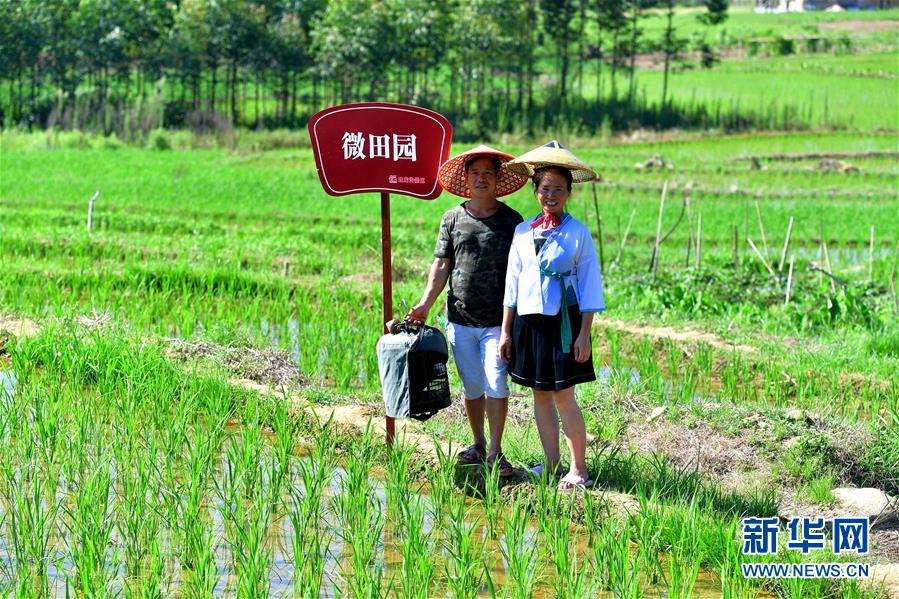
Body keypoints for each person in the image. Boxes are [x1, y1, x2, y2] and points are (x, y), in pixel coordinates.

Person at [407, 145, 527, 477]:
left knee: (496, 384)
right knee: (472, 387)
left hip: (497, 321)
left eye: (488, 173)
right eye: (476, 173)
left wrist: (515, 322)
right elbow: (441, 265)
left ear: (497, 178)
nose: (482, 179)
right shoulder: (452, 218)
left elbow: (520, 271)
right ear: (467, 179)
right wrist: (424, 304)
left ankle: (496, 451)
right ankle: (477, 443)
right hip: (460, 318)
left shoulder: (511, 222)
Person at [499, 141, 605, 490]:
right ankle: (550, 464)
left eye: (559, 189)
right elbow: (512, 284)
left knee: (564, 397)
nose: (551, 195)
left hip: (564, 323)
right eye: (545, 188)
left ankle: (579, 470)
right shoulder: (522, 231)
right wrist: (506, 332)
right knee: (540, 395)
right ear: (535, 191)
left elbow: (590, 286)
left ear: (568, 193)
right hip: (529, 323)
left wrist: (584, 334)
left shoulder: (577, 233)